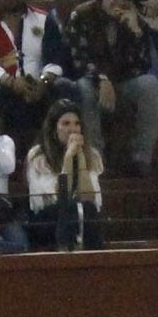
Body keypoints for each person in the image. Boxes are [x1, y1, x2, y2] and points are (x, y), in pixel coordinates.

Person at [65, 0, 158, 176]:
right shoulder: (81, 15)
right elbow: (78, 60)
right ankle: (95, 158)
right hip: (92, 83)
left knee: (150, 84)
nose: (118, 0)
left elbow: (142, 66)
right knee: (83, 88)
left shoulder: (133, 17)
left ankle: (141, 159)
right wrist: (101, 78)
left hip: (123, 84)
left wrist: (136, 32)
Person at [0, 0, 73, 152]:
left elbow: (55, 59)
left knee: (64, 86)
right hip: (3, 89)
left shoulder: (44, 19)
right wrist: (11, 82)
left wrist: (43, 83)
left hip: (39, 87)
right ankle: (1, 154)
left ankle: (65, 151)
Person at [24, 95, 103, 249]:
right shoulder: (37, 155)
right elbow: (58, 198)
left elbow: (90, 198)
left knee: (88, 211)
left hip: (81, 216)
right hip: (48, 219)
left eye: (76, 124)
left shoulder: (91, 155)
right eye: (66, 124)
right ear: (54, 129)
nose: (73, 129)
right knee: (69, 211)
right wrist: (68, 159)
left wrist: (79, 156)